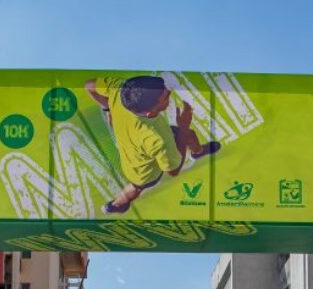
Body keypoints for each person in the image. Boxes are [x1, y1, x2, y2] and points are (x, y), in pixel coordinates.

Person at [84, 75, 222, 215]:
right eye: (165, 97)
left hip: (131, 143)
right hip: (143, 171)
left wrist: (108, 109)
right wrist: (183, 127)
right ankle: (119, 204)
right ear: (150, 113)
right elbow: (173, 171)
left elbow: (89, 85)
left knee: (189, 135)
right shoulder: (158, 138)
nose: (169, 94)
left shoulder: (120, 89)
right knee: (136, 187)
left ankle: (197, 152)